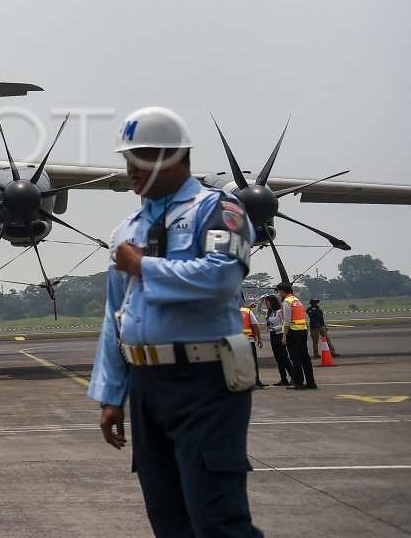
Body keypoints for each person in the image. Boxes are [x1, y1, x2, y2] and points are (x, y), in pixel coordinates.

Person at [89, 107, 262, 537]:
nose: (129, 167)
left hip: (204, 381)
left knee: (218, 521)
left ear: (173, 156)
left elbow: (224, 275)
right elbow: (116, 317)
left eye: (140, 156)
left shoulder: (219, 208)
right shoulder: (127, 227)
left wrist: (144, 266)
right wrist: (112, 396)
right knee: (167, 520)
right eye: (127, 157)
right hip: (147, 384)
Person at [276, 282, 316, 389]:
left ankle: (298, 382)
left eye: (279, 290)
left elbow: (287, 321)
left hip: (293, 332)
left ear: (283, 291)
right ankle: (311, 382)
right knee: (305, 357)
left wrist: (284, 336)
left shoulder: (286, 302)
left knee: (295, 358)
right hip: (302, 330)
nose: (278, 293)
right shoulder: (297, 300)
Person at [262, 295, 293, 386]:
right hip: (272, 335)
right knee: (278, 358)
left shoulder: (279, 312)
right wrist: (260, 301)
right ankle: (283, 378)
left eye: (267, 302)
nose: (266, 304)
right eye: (265, 302)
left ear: (272, 302)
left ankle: (293, 376)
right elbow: (258, 310)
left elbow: (285, 324)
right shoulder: (268, 313)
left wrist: (275, 328)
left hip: (279, 334)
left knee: (284, 357)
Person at [241, 295, 265, 389]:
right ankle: (256, 381)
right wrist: (259, 339)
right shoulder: (247, 311)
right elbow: (255, 326)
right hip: (249, 341)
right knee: (253, 362)